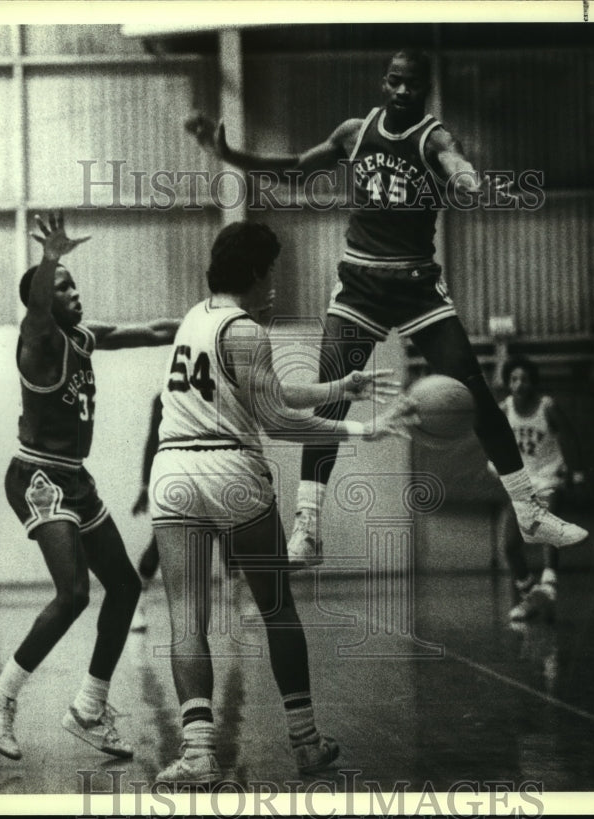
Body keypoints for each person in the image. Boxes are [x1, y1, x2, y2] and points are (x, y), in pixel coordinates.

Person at [186, 48, 588, 569]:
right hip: (361, 284)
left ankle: (528, 510)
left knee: (477, 393)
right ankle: (308, 525)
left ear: (425, 90)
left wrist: (467, 178)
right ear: (384, 83)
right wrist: (233, 156)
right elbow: (295, 168)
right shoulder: (356, 132)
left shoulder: (433, 138)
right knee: (329, 396)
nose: (403, 91)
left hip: (417, 284)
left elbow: (456, 161)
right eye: (396, 81)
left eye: (413, 85)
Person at [150, 221, 414, 784]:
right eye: (271, 270)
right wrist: (363, 429)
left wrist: (337, 389)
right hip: (231, 471)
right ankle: (305, 741)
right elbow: (275, 416)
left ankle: (197, 753)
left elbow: (263, 387)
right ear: (252, 272)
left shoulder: (195, 318)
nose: (274, 283)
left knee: (186, 622)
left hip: (172, 471)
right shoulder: (247, 331)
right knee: (277, 608)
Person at [0, 212, 179, 761]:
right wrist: (50, 260)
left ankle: (88, 707)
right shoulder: (37, 340)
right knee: (74, 594)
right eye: (64, 287)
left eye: (73, 282)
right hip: (37, 476)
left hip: (74, 479)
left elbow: (154, 331)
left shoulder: (83, 338)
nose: (74, 290)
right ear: (44, 298)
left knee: (126, 586)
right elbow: (38, 304)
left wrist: (209, 317)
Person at [490, 356, 585, 622]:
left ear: (533, 383)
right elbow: (494, 438)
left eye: (524, 379)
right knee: (510, 546)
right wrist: (493, 461)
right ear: (509, 383)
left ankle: (550, 582)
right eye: (514, 379)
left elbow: (569, 435)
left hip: (548, 476)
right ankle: (530, 596)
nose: (519, 384)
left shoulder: (547, 407)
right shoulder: (505, 409)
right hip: (521, 482)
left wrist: (576, 470)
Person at [129, 393, 162, 632]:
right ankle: (137, 605)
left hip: (210, 472)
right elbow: (152, 442)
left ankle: (242, 605)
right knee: (159, 543)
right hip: (177, 475)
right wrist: (144, 487)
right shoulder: (165, 397)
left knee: (231, 540)